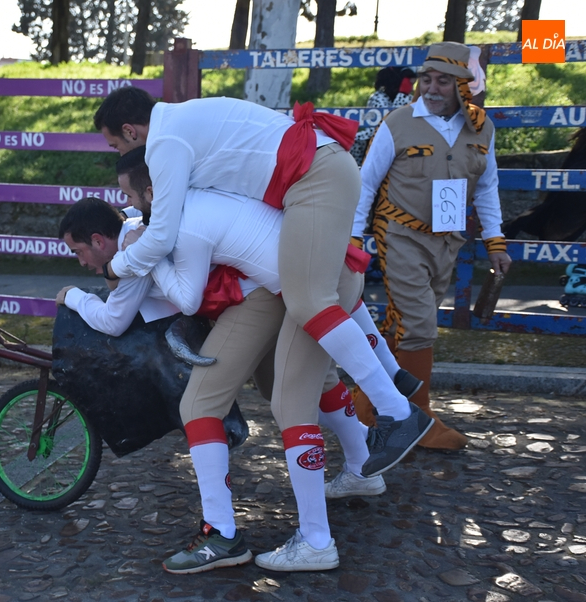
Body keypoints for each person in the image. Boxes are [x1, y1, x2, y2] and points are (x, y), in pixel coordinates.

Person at [92, 87, 432, 489]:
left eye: (116, 145)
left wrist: (117, 263)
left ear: (131, 131)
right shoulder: (180, 121)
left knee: (309, 303)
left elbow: (163, 235)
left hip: (313, 175)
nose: (121, 156)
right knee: (321, 292)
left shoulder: (164, 143)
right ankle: (392, 388)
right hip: (319, 170)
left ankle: (396, 412)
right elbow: (167, 209)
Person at [115, 147, 414, 574]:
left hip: (303, 289)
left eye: (131, 196)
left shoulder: (181, 224)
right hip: (328, 272)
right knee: (301, 393)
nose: (129, 206)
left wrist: (136, 255)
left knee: (231, 406)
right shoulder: (204, 185)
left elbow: (186, 297)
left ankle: (272, 537)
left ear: (150, 190)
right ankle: (359, 466)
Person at [351, 42, 512, 451]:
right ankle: (418, 420)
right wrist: (352, 237)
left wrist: (495, 241)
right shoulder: (397, 122)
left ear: (463, 85)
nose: (433, 88)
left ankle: (365, 404)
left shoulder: (482, 128)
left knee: (401, 325)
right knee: (420, 323)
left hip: (448, 240)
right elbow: (365, 182)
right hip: (400, 234)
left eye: (443, 80)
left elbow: (488, 187)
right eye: (427, 78)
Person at [55, 197, 179, 336]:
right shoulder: (133, 227)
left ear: (97, 241)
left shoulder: (132, 252)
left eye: (79, 252)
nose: (82, 262)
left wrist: (72, 296)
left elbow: (112, 323)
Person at [349, 67, 417, 167]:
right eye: (409, 84)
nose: (411, 89)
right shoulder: (378, 97)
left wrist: (403, 95)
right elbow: (391, 122)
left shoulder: (408, 98)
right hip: (377, 143)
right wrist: (402, 94)